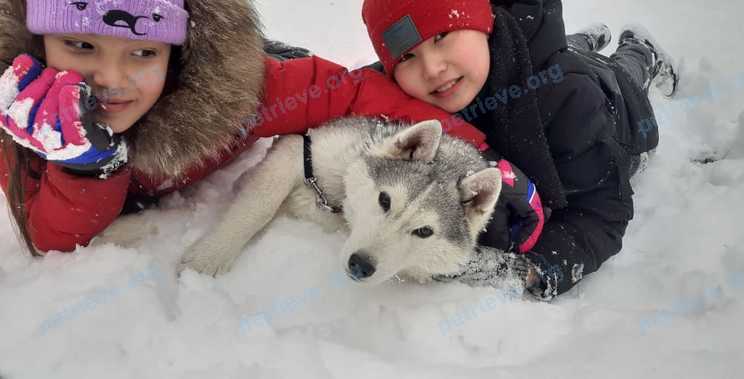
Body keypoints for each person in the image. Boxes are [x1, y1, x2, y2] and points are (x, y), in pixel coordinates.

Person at [0, 0, 509, 256]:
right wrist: (87, 165)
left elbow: (352, 91)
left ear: (178, 56)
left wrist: (475, 154)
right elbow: (51, 239)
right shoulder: (19, 118)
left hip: (276, 61)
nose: (110, 80)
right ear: (39, 41)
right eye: (83, 46)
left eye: (142, 52)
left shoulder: (241, 94)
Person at [362, 0, 679, 300]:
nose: (431, 68)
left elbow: (601, 211)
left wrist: (535, 268)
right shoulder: (447, 74)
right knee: (555, 50)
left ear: (483, 24)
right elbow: (356, 92)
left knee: (621, 71)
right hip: (527, 56)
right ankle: (586, 39)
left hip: (618, 114)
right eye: (406, 57)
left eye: (442, 36)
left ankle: (640, 48)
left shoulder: (568, 99)